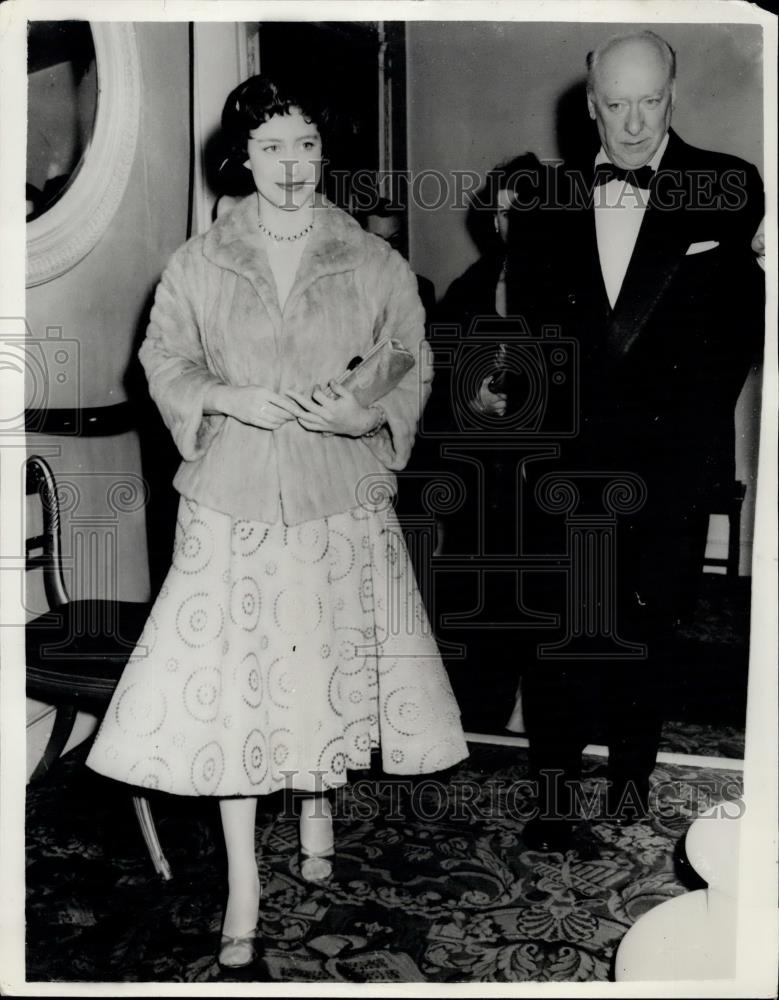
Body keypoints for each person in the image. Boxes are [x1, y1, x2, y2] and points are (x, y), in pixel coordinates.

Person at [86, 72, 468, 967]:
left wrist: (365, 414)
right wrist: (228, 396)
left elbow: (408, 361)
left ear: (324, 151)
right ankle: (244, 886)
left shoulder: (372, 262)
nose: (289, 166)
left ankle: (316, 801)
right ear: (241, 156)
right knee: (237, 697)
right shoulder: (197, 261)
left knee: (321, 669)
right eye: (268, 147)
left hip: (337, 496)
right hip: (234, 502)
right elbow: (164, 360)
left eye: (303, 145)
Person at [509, 30, 764, 850]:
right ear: (588, 104)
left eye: (647, 101)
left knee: (645, 631)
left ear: (673, 95)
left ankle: (627, 782)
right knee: (557, 633)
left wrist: (669, 440)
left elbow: (735, 338)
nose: (629, 124)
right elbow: (537, 334)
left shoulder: (727, 186)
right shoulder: (544, 202)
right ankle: (551, 802)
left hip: (668, 456)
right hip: (565, 456)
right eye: (612, 104)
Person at [432, 154, 543, 733]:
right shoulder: (471, 285)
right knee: (481, 584)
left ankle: (540, 707)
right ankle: (484, 709)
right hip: (485, 475)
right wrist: (471, 396)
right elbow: (439, 370)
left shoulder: (572, 284)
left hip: (550, 473)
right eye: (498, 211)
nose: (506, 222)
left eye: (518, 210)